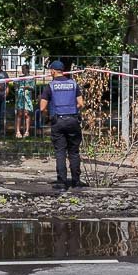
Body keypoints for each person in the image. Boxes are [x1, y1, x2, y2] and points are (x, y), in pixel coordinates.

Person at [39, 60, 84, 189]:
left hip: (58, 121)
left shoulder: (50, 86)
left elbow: (42, 107)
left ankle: (62, 182)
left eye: (50, 70)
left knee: (60, 152)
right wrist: (71, 109)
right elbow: (81, 103)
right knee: (74, 152)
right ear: (63, 71)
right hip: (73, 120)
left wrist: (49, 114)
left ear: (53, 71)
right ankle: (76, 181)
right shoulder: (73, 84)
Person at [14, 63, 37, 138]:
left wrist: (27, 87)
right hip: (20, 97)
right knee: (19, 114)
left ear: (27, 69)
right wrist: (16, 85)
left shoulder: (31, 78)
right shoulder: (20, 78)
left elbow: (33, 88)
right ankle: (18, 131)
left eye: (24, 68)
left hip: (27, 97)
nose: (22, 70)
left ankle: (27, 131)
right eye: (22, 68)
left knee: (27, 114)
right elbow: (15, 86)